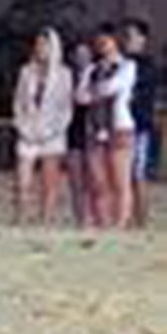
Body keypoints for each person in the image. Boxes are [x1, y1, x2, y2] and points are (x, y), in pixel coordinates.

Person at [12, 28, 73, 225]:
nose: (40, 48)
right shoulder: (26, 71)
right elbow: (18, 103)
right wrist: (22, 126)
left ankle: (46, 220)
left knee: (49, 183)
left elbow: (66, 108)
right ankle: (22, 218)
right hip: (28, 132)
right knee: (23, 182)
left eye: (44, 45)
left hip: (52, 135)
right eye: (37, 44)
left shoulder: (64, 74)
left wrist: (52, 131)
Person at [86, 25, 138, 229]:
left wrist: (94, 91)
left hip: (119, 126)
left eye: (106, 41)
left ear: (115, 42)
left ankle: (121, 222)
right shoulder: (93, 69)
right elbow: (81, 95)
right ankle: (103, 221)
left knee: (120, 180)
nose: (102, 45)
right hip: (96, 126)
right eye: (99, 42)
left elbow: (112, 87)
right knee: (99, 180)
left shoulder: (127, 66)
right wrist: (94, 91)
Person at [123, 18, 157, 228]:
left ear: (142, 39)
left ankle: (141, 220)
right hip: (120, 126)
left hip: (139, 126)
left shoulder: (147, 66)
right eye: (125, 36)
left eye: (131, 36)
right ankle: (125, 218)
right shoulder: (121, 62)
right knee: (123, 175)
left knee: (138, 173)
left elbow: (138, 95)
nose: (127, 40)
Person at [66, 41, 97, 227]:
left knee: (93, 178)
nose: (81, 58)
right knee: (75, 178)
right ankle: (80, 218)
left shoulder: (97, 74)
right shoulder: (68, 76)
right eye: (78, 54)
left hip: (92, 129)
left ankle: (94, 215)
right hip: (73, 129)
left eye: (85, 53)